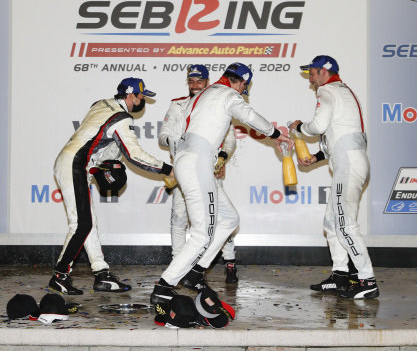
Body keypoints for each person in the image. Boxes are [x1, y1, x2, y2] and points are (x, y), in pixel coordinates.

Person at [150, 63, 293, 304]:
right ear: (241, 83)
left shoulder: (206, 93)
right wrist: (277, 135)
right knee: (202, 233)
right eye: (243, 88)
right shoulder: (227, 94)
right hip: (196, 163)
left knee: (229, 219)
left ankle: (196, 272)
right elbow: (249, 116)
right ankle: (165, 285)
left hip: (194, 162)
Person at [49, 77, 173, 295]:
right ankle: (60, 276)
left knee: (89, 223)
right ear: (130, 95)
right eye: (141, 96)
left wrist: (104, 165)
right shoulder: (122, 118)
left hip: (75, 163)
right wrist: (166, 169)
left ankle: (101, 274)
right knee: (82, 224)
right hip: (74, 164)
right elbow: (134, 155)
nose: (142, 100)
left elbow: (98, 139)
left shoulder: (100, 104)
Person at [289, 55, 379, 299]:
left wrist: (298, 127)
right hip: (351, 162)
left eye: (312, 71)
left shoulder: (327, 91)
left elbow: (317, 127)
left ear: (324, 72)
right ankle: (340, 275)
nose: (310, 76)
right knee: (332, 223)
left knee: (345, 224)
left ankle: (367, 280)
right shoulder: (343, 91)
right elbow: (339, 137)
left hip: (348, 166)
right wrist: (316, 158)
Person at [158, 64, 239, 284]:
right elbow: (163, 136)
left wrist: (222, 158)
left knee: (220, 217)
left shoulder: (219, 101)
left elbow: (230, 140)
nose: (195, 85)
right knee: (179, 217)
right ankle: (179, 264)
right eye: (191, 81)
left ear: (207, 81)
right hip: (183, 171)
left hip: (209, 170)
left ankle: (229, 261)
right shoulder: (177, 105)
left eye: (199, 81)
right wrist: (177, 143)